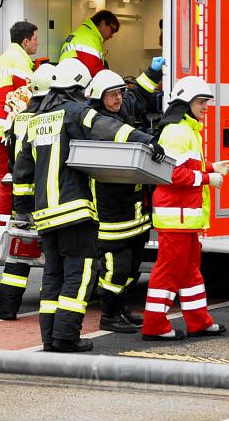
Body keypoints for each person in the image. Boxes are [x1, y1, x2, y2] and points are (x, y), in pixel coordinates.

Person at [13, 58, 163, 352]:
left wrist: (23, 209)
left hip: (45, 217)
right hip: (75, 212)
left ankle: (51, 338)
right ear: (77, 88)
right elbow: (108, 128)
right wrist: (146, 141)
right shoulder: (75, 113)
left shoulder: (36, 121)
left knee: (52, 278)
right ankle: (67, 337)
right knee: (79, 275)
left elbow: (22, 172)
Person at [141, 76, 229, 341]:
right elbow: (172, 174)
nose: (205, 107)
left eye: (206, 102)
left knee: (190, 271)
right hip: (177, 218)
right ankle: (154, 325)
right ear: (185, 103)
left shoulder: (186, 129)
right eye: (201, 101)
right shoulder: (177, 131)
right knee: (168, 272)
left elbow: (185, 168)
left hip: (184, 218)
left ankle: (199, 321)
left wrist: (211, 167)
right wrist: (208, 178)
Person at [85, 61, 164, 334]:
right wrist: (148, 140)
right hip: (111, 212)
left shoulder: (121, 108)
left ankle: (121, 308)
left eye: (119, 93)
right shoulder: (96, 121)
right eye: (112, 94)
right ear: (99, 97)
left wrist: (153, 72)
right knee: (115, 268)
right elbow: (122, 134)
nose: (118, 98)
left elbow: (138, 94)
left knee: (132, 266)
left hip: (134, 210)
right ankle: (109, 314)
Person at [0, 62, 56, 320]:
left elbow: (11, 160)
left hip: (22, 198)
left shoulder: (19, 119)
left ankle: (6, 308)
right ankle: (48, 306)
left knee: (18, 256)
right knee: (52, 256)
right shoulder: (51, 119)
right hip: (47, 197)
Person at [0, 21, 38, 229]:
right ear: (26, 41)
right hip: (3, 128)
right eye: (36, 40)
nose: (37, 44)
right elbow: (31, 99)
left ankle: (5, 226)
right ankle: (4, 229)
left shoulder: (3, 60)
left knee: (8, 177)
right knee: (11, 179)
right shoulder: (19, 62)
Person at [58, 10, 119, 77]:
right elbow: (94, 73)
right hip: (75, 84)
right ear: (102, 23)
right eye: (112, 31)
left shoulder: (84, 33)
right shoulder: (88, 38)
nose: (111, 36)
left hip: (67, 81)